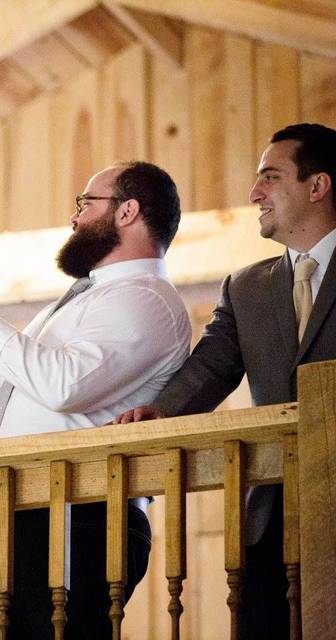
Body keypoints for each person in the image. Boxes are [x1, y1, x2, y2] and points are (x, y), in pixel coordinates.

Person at [0, 162, 191, 639]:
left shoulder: (146, 298)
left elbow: (66, 386)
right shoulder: (76, 303)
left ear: (127, 211)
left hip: (81, 513)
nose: (74, 217)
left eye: (85, 203)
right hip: (14, 508)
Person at [115, 123, 336, 638]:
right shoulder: (246, 287)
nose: (254, 193)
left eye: (270, 177)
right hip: (270, 523)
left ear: (317, 185)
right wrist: (161, 411)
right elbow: (211, 366)